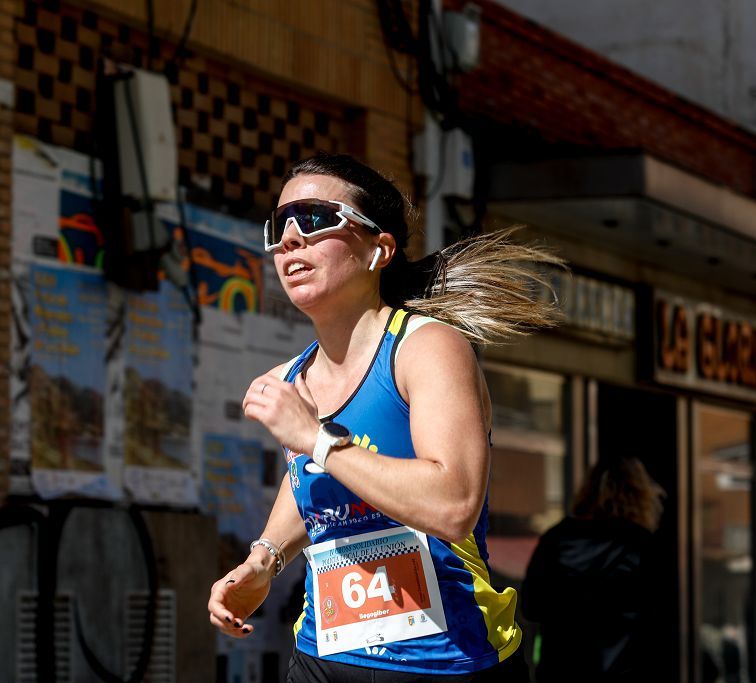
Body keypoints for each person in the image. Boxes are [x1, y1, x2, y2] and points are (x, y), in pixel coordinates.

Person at [207, 152, 559, 681]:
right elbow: (308, 476)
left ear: (379, 249)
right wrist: (265, 558)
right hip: (324, 654)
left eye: (317, 217)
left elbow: (454, 502)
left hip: (446, 657)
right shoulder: (291, 378)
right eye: (281, 225)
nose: (292, 239)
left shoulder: (427, 348)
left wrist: (316, 437)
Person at [521, 456, 666, 683]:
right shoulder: (643, 545)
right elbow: (658, 624)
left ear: (587, 490)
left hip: (560, 671)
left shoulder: (557, 537)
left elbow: (531, 608)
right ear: (641, 495)